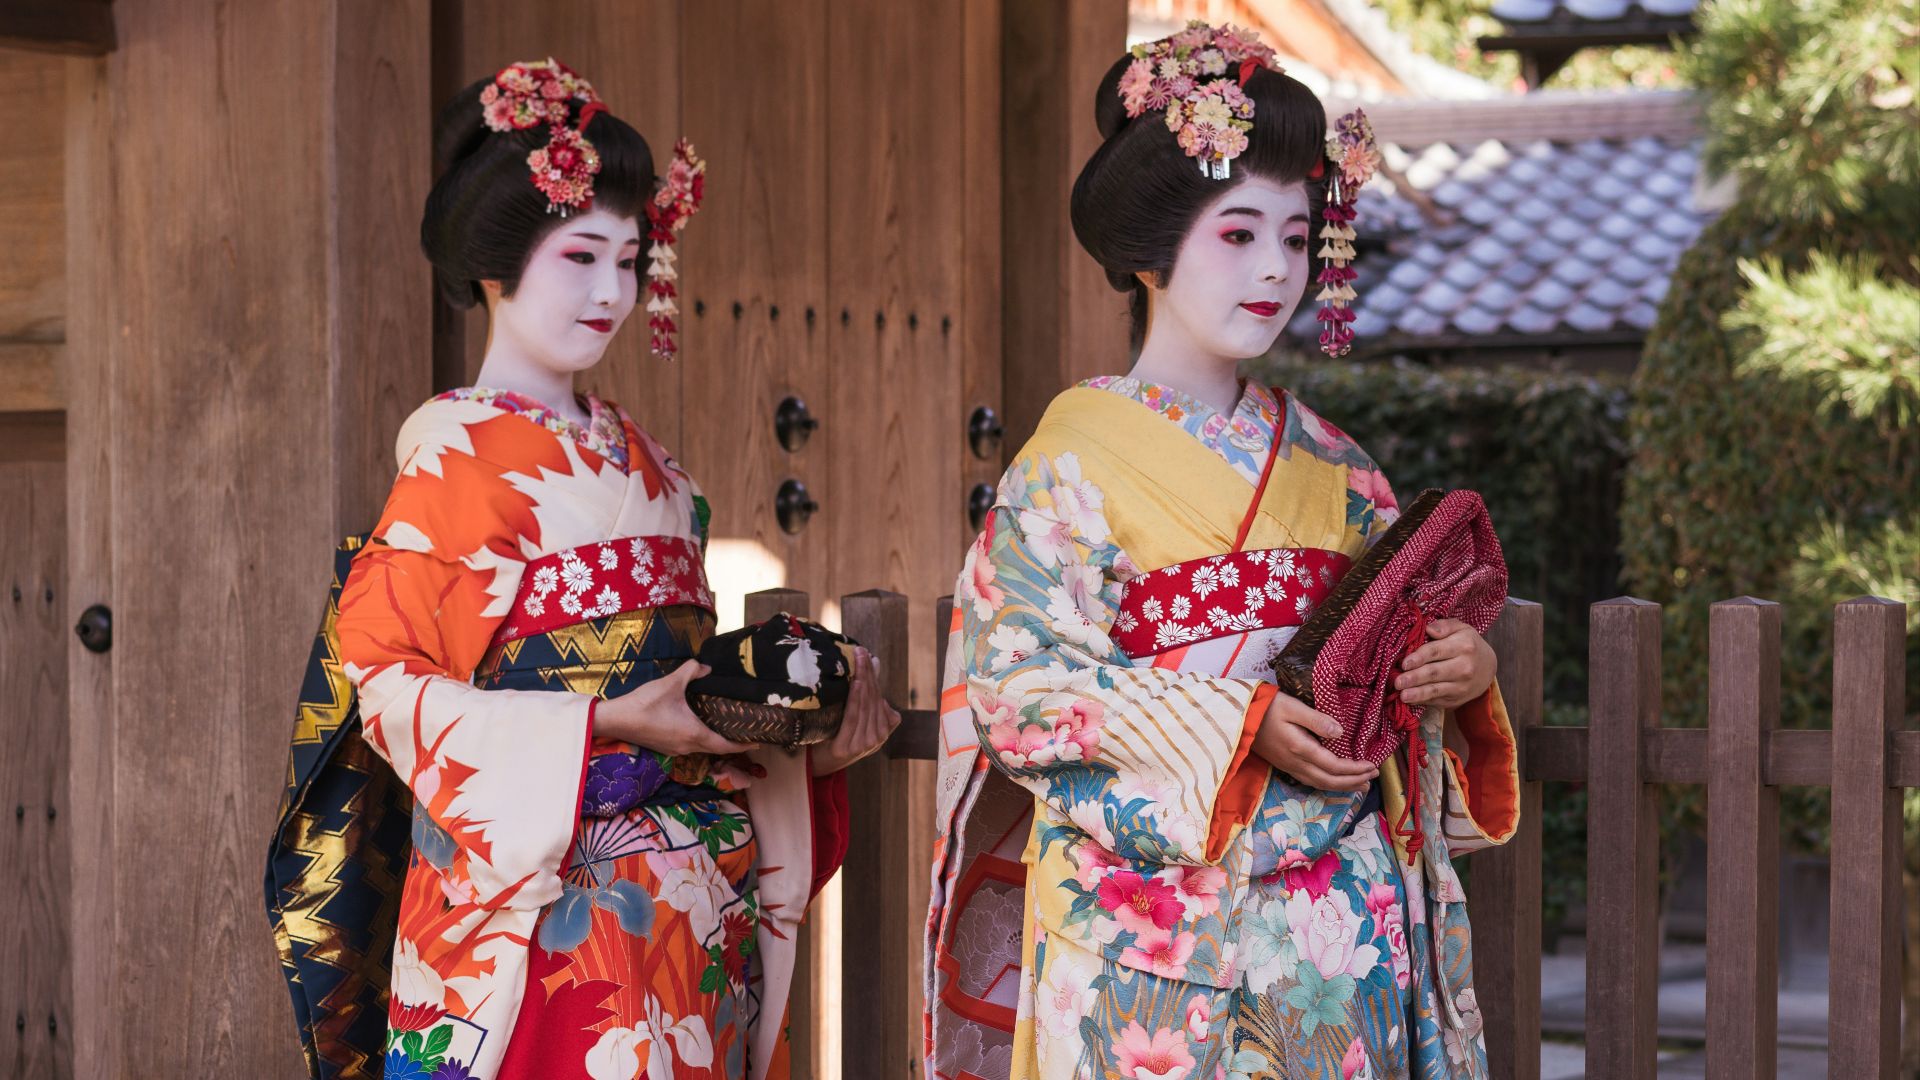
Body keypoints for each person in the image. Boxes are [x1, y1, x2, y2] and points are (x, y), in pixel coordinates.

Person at [924, 25, 1519, 1080]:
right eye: (1238, 234)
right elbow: (1018, 691)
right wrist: (1238, 726)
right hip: (1147, 939)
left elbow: (1399, 665)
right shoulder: (1066, 467)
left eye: (1296, 239)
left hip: (1342, 931)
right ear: (1148, 252)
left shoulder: (1343, 473)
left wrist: (1454, 675)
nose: (1276, 269)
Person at [290, 59, 895, 1080]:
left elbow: (699, 684)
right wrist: (608, 722)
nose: (613, 291)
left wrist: (800, 713)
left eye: (630, 258)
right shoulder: (456, 462)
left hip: (696, 909)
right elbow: (389, 689)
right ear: (496, 265)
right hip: (548, 918)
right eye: (581, 256)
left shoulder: (653, 465)